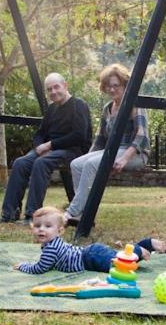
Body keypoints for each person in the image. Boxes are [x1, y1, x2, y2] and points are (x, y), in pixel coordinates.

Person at [0, 73, 91, 222]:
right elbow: (40, 133)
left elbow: (79, 136)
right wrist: (39, 147)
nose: (53, 92)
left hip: (73, 150)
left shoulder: (79, 105)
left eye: (56, 87)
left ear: (65, 86)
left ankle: (32, 214)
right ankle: (9, 213)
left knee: (41, 163)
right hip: (50, 150)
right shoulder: (52, 109)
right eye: (49, 89)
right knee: (20, 163)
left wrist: (50, 145)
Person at [64, 64, 149, 224]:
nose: (111, 90)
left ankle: (72, 212)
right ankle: (85, 213)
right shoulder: (107, 108)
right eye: (108, 86)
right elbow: (100, 140)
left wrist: (124, 159)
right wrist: (88, 156)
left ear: (124, 85)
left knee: (90, 164)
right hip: (112, 151)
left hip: (134, 154)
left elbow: (141, 137)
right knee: (76, 164)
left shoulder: (135, 105)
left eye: (116, 85)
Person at [14, 207, 165, 275]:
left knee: (120, 265)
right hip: (91, 253)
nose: (41, 229)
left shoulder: (51, 249)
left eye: (48, 226)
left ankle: (139, 249)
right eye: (38, 226)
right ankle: (145, 245)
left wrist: (23, 266)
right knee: (120, 258)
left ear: (59, 231)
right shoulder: (52, 244)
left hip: (89, 259)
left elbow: (39, 268)